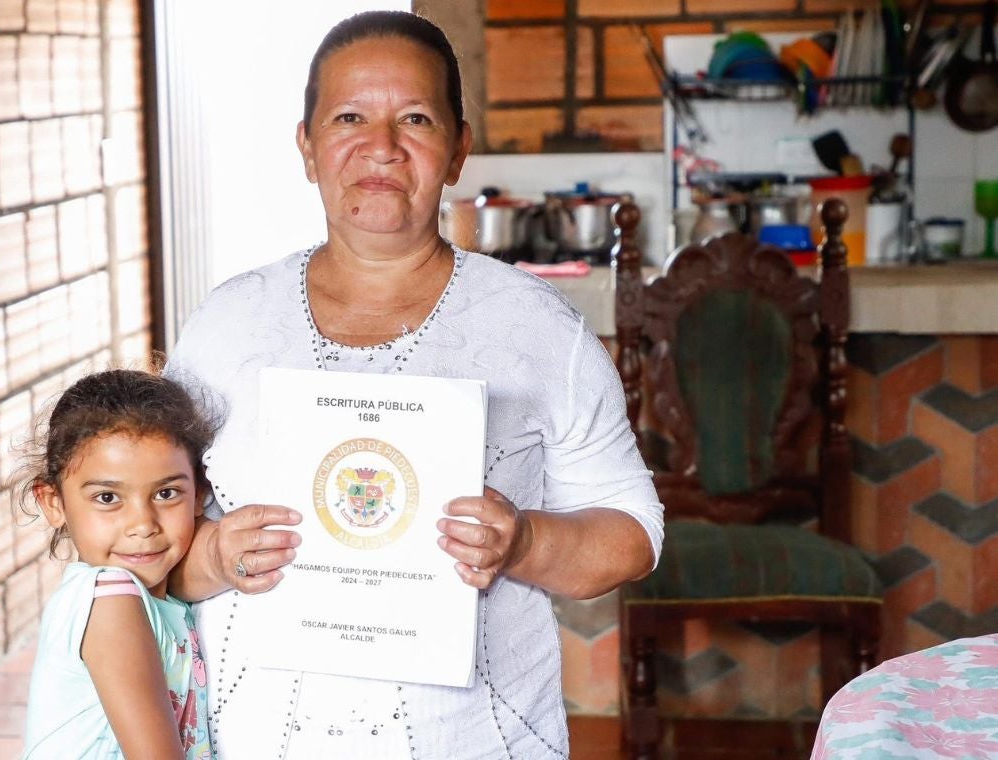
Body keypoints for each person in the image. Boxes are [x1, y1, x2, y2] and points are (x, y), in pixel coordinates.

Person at [165, 11, 664, 758]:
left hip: (474, 739)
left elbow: (634, 534)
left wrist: (524, 541)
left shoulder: (536, 327)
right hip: (258, 737)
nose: (382, 147)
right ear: (306, 145)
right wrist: (210, 558)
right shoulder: (227, 323)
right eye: (349, 116)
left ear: (459, 147)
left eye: (417, 118)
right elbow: (145, 527)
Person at [20, 369, 214, 759]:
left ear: (199, 495)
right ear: (53, 502)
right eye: (108, 498)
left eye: (166, 492)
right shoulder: (111, 600)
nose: (142, 525)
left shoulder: (160, 600)